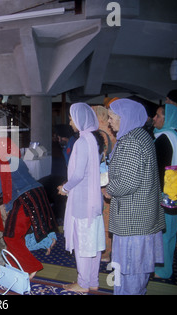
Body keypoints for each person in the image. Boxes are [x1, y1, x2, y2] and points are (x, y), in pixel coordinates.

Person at [105, 98, 165, 295]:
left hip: (133, 217)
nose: (109, 121)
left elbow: (127, 183)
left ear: (125, 118)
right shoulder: (140, 135)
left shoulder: (131, 141)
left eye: (112, 117)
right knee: (134, 268)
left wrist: (109, 188)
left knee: (130, 267)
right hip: (141, 213)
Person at [0, 137, 57, 279]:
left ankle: (31, 266)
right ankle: (16, 265)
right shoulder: (17, 159)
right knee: (20, 234)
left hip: (24, 199)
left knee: (10, 236)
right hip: (39, 193)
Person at [57, 103, 105, 293]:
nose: (70, 123)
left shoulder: (82, 142)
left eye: (71, 118)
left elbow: (77, 175)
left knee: (83, 244)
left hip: (82, 202)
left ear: (80, 120)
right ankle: (93, 280)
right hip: (94, 201)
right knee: (93, 243)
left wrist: (65, 188)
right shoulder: (96, 140)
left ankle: (83, 283)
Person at [152, 104, 177, 279]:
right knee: (171, 233)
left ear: (168, 119)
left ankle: (162, 270)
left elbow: (158, 169)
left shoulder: (163, 138)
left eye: (159, 116)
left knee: (163, 233)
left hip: (164, 193)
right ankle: (167, 268)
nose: (155, 118)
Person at [92, 105, 117, 262]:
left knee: (102, 217)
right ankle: (109, 250)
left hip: (102, 181)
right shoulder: (112, 133)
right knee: (108, 217)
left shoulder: (100, 135)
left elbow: (98, 159)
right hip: (111, 179)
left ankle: (105, 252)